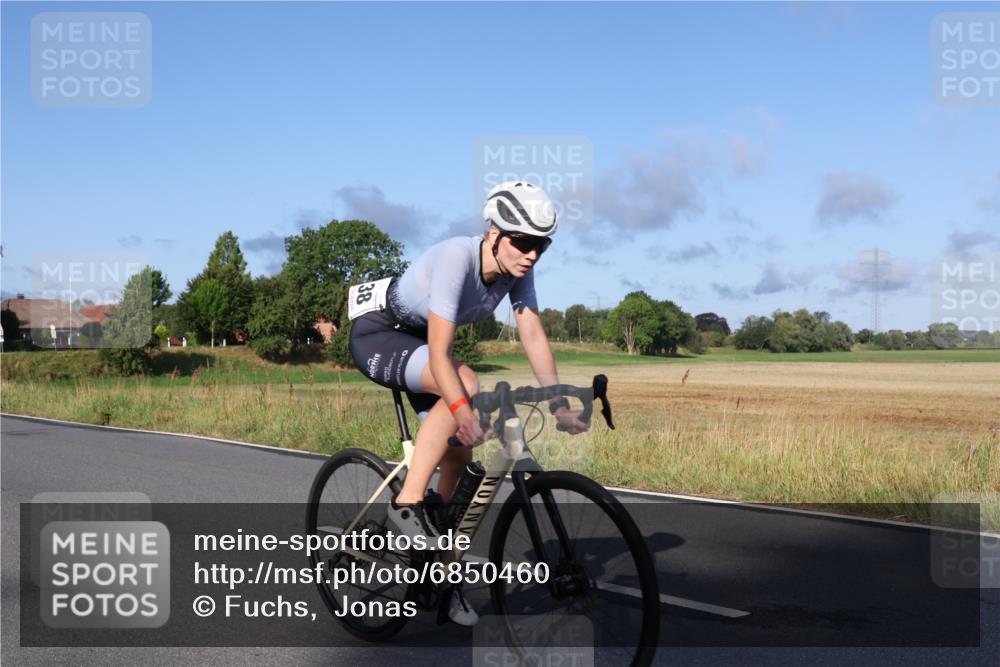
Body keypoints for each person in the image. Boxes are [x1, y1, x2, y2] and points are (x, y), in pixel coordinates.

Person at [348, 181, 590, 625]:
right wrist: (462, 409)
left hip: (421, 347)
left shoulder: (519, 267)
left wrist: (559, 403)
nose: (532, 254)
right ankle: (407, 503)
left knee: (461, 454)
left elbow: (532, 334)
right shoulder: (455, 259)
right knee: (467, 382)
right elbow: (440, 355)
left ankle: (438, 567)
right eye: (522, 242)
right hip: (380, 334)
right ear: (494, 233)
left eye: (542, 245)